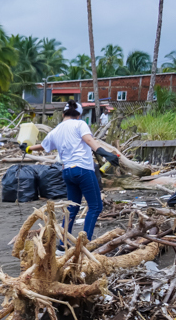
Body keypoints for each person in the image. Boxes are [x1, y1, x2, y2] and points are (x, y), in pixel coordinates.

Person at [26, 100, 120, 245]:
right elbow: (88, 140)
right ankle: (85, 243)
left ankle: (63, 244)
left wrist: (27, 149)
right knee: (95, 206)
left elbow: (43, 147)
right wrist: (105, 153)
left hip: (67, 172)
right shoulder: (79, 124)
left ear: (63, 114)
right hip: (82, 169)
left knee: (72, 208)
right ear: (79, 115)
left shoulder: (55, 130)